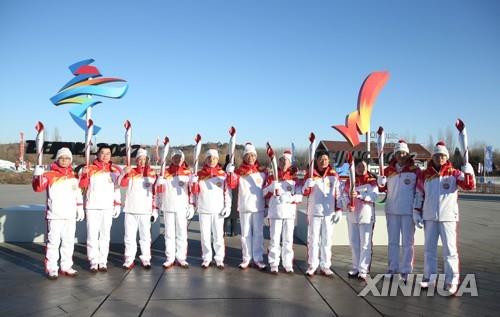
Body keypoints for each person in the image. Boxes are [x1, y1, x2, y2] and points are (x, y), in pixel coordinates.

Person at [414, 141, 475, 295]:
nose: (439, 158)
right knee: (429, 250)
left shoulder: (454, 173)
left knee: (450, 251)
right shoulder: (425, 174)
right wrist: (416, 211)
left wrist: (469, 172)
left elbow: (469, 186)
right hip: (430, 217)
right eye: (437, 155)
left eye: (442, 156)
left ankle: (452, 280)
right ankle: (429, 277)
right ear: (433, 157)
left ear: (446, 157)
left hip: (448, 217)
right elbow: (419, 194)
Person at [32, 147, 84, 279]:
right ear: (57, 159)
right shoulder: (49, 175)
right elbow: (37, 188)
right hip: (55, 215)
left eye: (67, 158)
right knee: (53, 243)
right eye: (62, 158)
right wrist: (37, 175)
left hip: (70, 215)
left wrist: (79, 207)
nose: (64, 160)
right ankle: (52, 268)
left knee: (68, 242)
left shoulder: (73, 176)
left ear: (70, 160)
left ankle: (66, 266)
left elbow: (78, 193)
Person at [377, 140, 420, 281]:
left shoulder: (415, 170)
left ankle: (406, 270)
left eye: (403, 152)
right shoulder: (387, 170)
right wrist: (380, 183)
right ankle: (392, 268)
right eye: (398, 152)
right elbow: (381, 189)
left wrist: (417, 210)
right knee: (393, 242)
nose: (401, 155)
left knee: (408, 243)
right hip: (392, 210)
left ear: (407, 154)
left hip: (408, 212)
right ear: (394, 154)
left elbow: (420, 190)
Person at [79, 145, 122, 273]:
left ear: (110, 156)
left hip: (107, 207)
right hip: (92, 206)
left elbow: (117, 188)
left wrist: (118, 204)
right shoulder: (89, 168)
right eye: (102, 153)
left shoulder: (114, 170)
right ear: (97, 154)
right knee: (92, 235)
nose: (105, 156)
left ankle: (103, 261)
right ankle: (93, 261)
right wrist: (84, 175)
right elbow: (82, 185)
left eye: (108, 153)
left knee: (105, 236)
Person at [226, 143, 267, 270]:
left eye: (253, 155)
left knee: (258, 234)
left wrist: (266, 206)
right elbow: (231, 185)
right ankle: (246, 258)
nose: (251, 158)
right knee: (245, 235)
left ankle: (258, 259)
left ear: (256, 157)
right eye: (248, 155)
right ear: (244, 157)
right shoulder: (238, 172)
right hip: (244, 207)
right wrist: (230, 173)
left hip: (258, 207)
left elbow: (267, 190)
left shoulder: (262, 172)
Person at [302, 150, 343, 277]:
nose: (323, 161)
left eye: (325, 159)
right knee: (313, 240)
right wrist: (307, 185)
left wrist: (339, 209)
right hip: (314, 212)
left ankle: (325, 266)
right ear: (316, 160)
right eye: (321, 159)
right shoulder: (310, 174)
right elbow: (304, 192)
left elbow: (338, 194)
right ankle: (312, 265)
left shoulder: (333, 175)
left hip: (328, 213)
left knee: (327, 240)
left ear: (329, 161)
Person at [191, 149, 231, 269]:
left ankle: (219, 258)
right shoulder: (199, 175)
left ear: (217, 160)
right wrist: (193, 183)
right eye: (209, 158)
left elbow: (227, 192)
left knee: (218, 236)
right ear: (205, 160)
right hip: (204, 209)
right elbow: (194, 192)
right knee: (205, 236)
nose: (211, 160)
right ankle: (207, 258)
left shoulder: (223, 175)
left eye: (214, 158)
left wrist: (227, 206)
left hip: (218, 210)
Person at [263, 150, 302, 274]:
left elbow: (300, 197)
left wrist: (289, 198)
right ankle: (274, 263)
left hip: (289, 214)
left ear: (290, 163)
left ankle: (287, 263)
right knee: (274, 239)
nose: (283, 162)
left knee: (288, 239)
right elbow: (263, 193)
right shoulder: (272, 177)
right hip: (275, 213)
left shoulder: (295, 179)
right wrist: (270, 187)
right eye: (281, 160)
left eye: (286, 161)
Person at [119, 148, 158, 270]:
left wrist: (155, 209)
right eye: (139, 159)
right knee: (129, 237)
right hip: (130, 209)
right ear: (136, 160)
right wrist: (124, 173)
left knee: (145, 236)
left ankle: (146, 259)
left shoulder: (152, 174)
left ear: (147, 160)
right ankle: (129, 259)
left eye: (144, 159)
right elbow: (122, 184)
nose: (141, 161)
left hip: (145, 211)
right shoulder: (131, 172)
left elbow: (156, 193)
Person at [156, 149, 195, 269]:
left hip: (182, 208)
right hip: (168, 206)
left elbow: (192, 191)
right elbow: (158, 191)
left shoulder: (188, 173)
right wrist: (159, 182)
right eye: (175, 157)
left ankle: (181, 258)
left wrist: (192, 205)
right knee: (169, 234)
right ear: (171, 159)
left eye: (179, 157)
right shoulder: (165, 172)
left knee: (182, 233)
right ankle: (170, 258)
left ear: (183, 159)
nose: (177, 159)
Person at [345, 159, 378, 280]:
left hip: (366, 216)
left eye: (363, 166)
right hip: (352, 215)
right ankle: (356, 267)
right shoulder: (350, 181)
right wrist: (348, 203)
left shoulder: (371, 181)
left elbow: (374, 196)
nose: (361, 168)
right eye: (358, 166)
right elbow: (344, 195)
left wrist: (359, 195)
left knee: (365, 244)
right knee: (354, 242)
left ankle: (363, 269)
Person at [222, 154, 238, 237]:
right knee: (230, 214)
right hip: (231, 192)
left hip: (233, 191)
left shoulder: (234, 169)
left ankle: (225, 231)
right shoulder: (226, 169)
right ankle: (233, 231)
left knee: (231, 215)